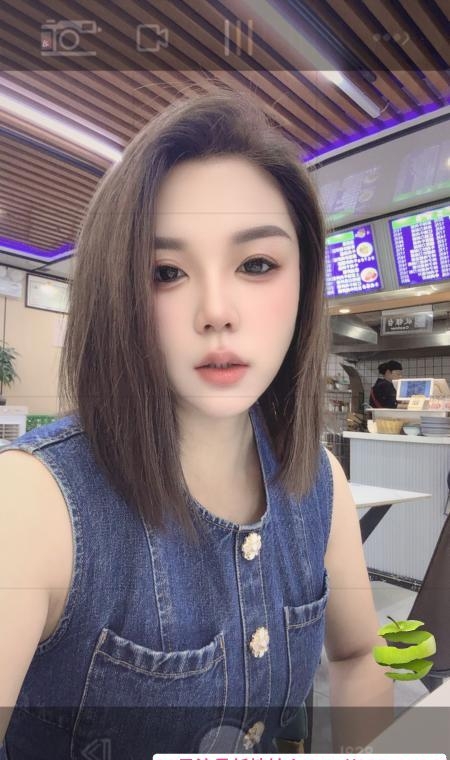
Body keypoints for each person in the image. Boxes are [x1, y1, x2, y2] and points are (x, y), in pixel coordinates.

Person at [0, 90, 393, 758]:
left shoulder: (317, 482)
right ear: (118, 293)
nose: (216, 310)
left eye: (257, 264)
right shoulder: (33, 503)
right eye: (166, 272)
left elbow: (359, 654)